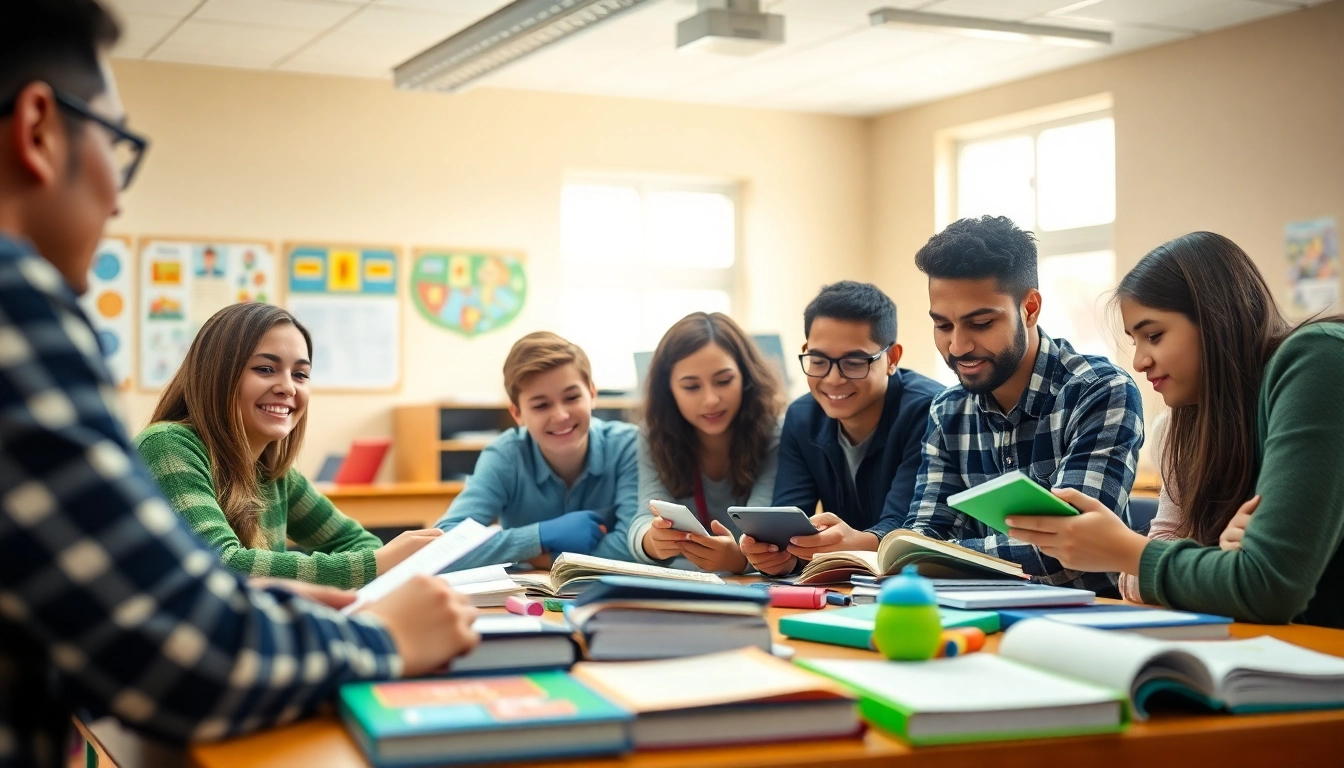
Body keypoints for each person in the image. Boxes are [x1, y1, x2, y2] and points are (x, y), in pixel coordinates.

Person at [0, 4, 476, 764]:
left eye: (300, 371)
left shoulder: (269, 470)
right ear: (37, 129)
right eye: (118, 147)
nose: (118, 199)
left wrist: (325, 583)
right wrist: (381, 632)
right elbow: (185, 644)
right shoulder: (19, 306)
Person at [1006, 232, 1344, 627]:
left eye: (1154, 335)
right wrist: (1215, 561)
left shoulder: (1319, 360)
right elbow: (1146, 575)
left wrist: (1125, 550)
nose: (1139, 361)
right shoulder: (1187, 423)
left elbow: (1265, 587)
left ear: (1216, 316)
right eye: (1135, 341)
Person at [903, 216, 1144, 593]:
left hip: (1089, 620)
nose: (957, 347)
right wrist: (923, 551)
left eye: (980, 323)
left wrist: (938, 554)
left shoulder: (1100, 392)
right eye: (943, 326)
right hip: (978, 613)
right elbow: (922, 533)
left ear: (1030, 308)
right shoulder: (947, 410)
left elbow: (1070, 549)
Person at [136, 303, 445, 588]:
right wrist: (372, 565)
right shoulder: (167, 446)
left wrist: (373, 560)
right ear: (217, 374)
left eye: (300, 374)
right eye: (265, 369)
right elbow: (220, 565)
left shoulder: (273, 473)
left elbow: (358, 542)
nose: (287, 387)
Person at [743, 281, 942, 576]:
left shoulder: (929, 410)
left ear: (892, 358)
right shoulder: (802, 417)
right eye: (819, 360)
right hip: (846, 583)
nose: (833, 379)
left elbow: (909, 525)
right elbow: (788, 515)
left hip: (919, 580)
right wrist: (781, 554)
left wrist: (856, 543)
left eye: (853, 362)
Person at [434, 332, 639, 570]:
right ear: (517, 414)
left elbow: (634, 546)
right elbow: (444, 544)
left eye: (572, 397)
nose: (561, 415)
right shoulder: (505, 456)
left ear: (592, 394)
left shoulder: (628, 446)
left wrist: (540, 558)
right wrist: (539, 536)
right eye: (541, 405)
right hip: (528, 601)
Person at [630, 312, 782, 572]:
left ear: (746, 377)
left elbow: (765, 531)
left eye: (724, 381)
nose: (711, 399)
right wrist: (652, 541)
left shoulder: (774, 434)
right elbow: (645, 515)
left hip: (752, 586)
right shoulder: (652, 436)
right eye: (691, 387)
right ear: (668, 391)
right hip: (681, 586)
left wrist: (740, 559)